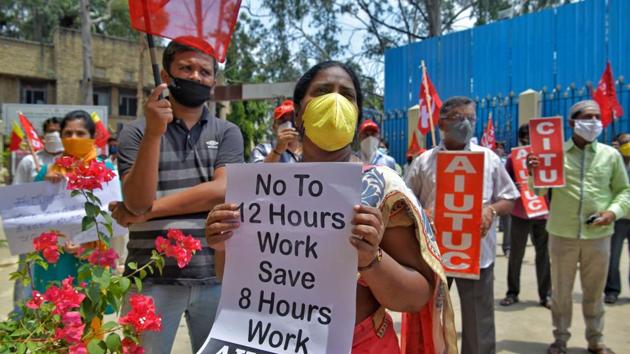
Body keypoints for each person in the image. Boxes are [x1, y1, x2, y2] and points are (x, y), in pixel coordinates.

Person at [203, 61, 457, 354]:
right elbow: (231, 278)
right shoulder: (264, 189)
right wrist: (222, 242)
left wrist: (371, 259)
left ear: (357, 116)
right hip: (274, 342)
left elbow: (414, 298)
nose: (334, 100)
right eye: (322, 91)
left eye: (346, 95)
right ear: (298, 114)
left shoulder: (383, 188)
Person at [109, 40, 244, 353]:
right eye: (186, 67)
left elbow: (222, 190)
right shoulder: (137, 132)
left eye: (205, 71)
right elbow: (136, 200)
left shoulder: (227, 132)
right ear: (166, 75)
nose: (196, 76)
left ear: (214, 80)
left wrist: (147, 213)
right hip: (149, 278)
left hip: (214, 276)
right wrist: (155, 132)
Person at [405, 96, 520, 354]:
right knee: (430, 319)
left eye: (471, 118)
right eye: (459, 118)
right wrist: (423, 213)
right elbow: (404, 201)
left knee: (479, 321)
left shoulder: (489, 158)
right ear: (441, 123)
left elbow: (509, 197)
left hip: (476, 255)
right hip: (433, 255)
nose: (466, 123)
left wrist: (490, 210)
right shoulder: (423, 162)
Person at [527, 100, 630, 354]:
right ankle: (560, 338)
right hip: (563, 233)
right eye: (587, 117)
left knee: (594, 291)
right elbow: (538, 191)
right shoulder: (555, 154)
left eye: (597, 117)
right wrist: (534, 172)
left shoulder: (611, 155)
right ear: (572, 122)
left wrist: (612, 212)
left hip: (598, 234)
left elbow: (624, 191)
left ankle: (595, 339)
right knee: (561, 291)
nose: (594, 122)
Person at [32, 110, 114, 292]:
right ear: (61, 137)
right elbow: (32, 219)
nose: (73, 138)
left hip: (92, 257)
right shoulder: (47, 172)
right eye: (68, 133)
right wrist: (44, 185)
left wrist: (86, 243)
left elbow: (113, 217)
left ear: (92, 136)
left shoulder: (105, 170)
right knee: (54, 312)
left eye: (80, 133)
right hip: (55, 261)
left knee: (89, 311)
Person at [12, 117, 64, 312]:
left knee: (56, 278)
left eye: (59, 131)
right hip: (33, 231)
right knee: (27, 275)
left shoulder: (71, 162)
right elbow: (16, 195)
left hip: (61, 233)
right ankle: (21, 319)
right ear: (43, 136)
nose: (55, 135)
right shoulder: (28, 161)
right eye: (51, 131)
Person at [500, 124, 551, 309]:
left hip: (542, 213)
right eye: (523, 135)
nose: (527, 138)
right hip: (520, 212)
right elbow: (505, 182)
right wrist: (519, 183)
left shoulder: (547, 156)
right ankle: (512, 292)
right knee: (516, 255)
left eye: (530, 135)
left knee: (544, 256)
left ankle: (546, 295)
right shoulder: (513, 157)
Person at [604, 132, 630, 304]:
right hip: (619, 217)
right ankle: (612, 290)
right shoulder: (612, 162)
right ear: (618, 145)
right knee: (613, 257)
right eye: (625, 142)